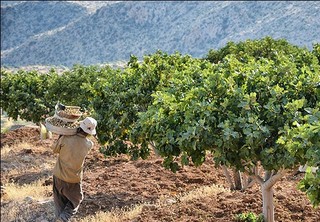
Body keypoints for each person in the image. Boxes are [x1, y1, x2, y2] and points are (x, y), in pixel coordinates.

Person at [51, 117, 97, 222]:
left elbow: (54, 149)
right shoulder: (89, 144)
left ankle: (60, 219)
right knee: (75, 200)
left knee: (59, 205)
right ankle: (62, 219)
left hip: (58, 176)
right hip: (73, 179)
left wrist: (62, 134)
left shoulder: (65, 139)